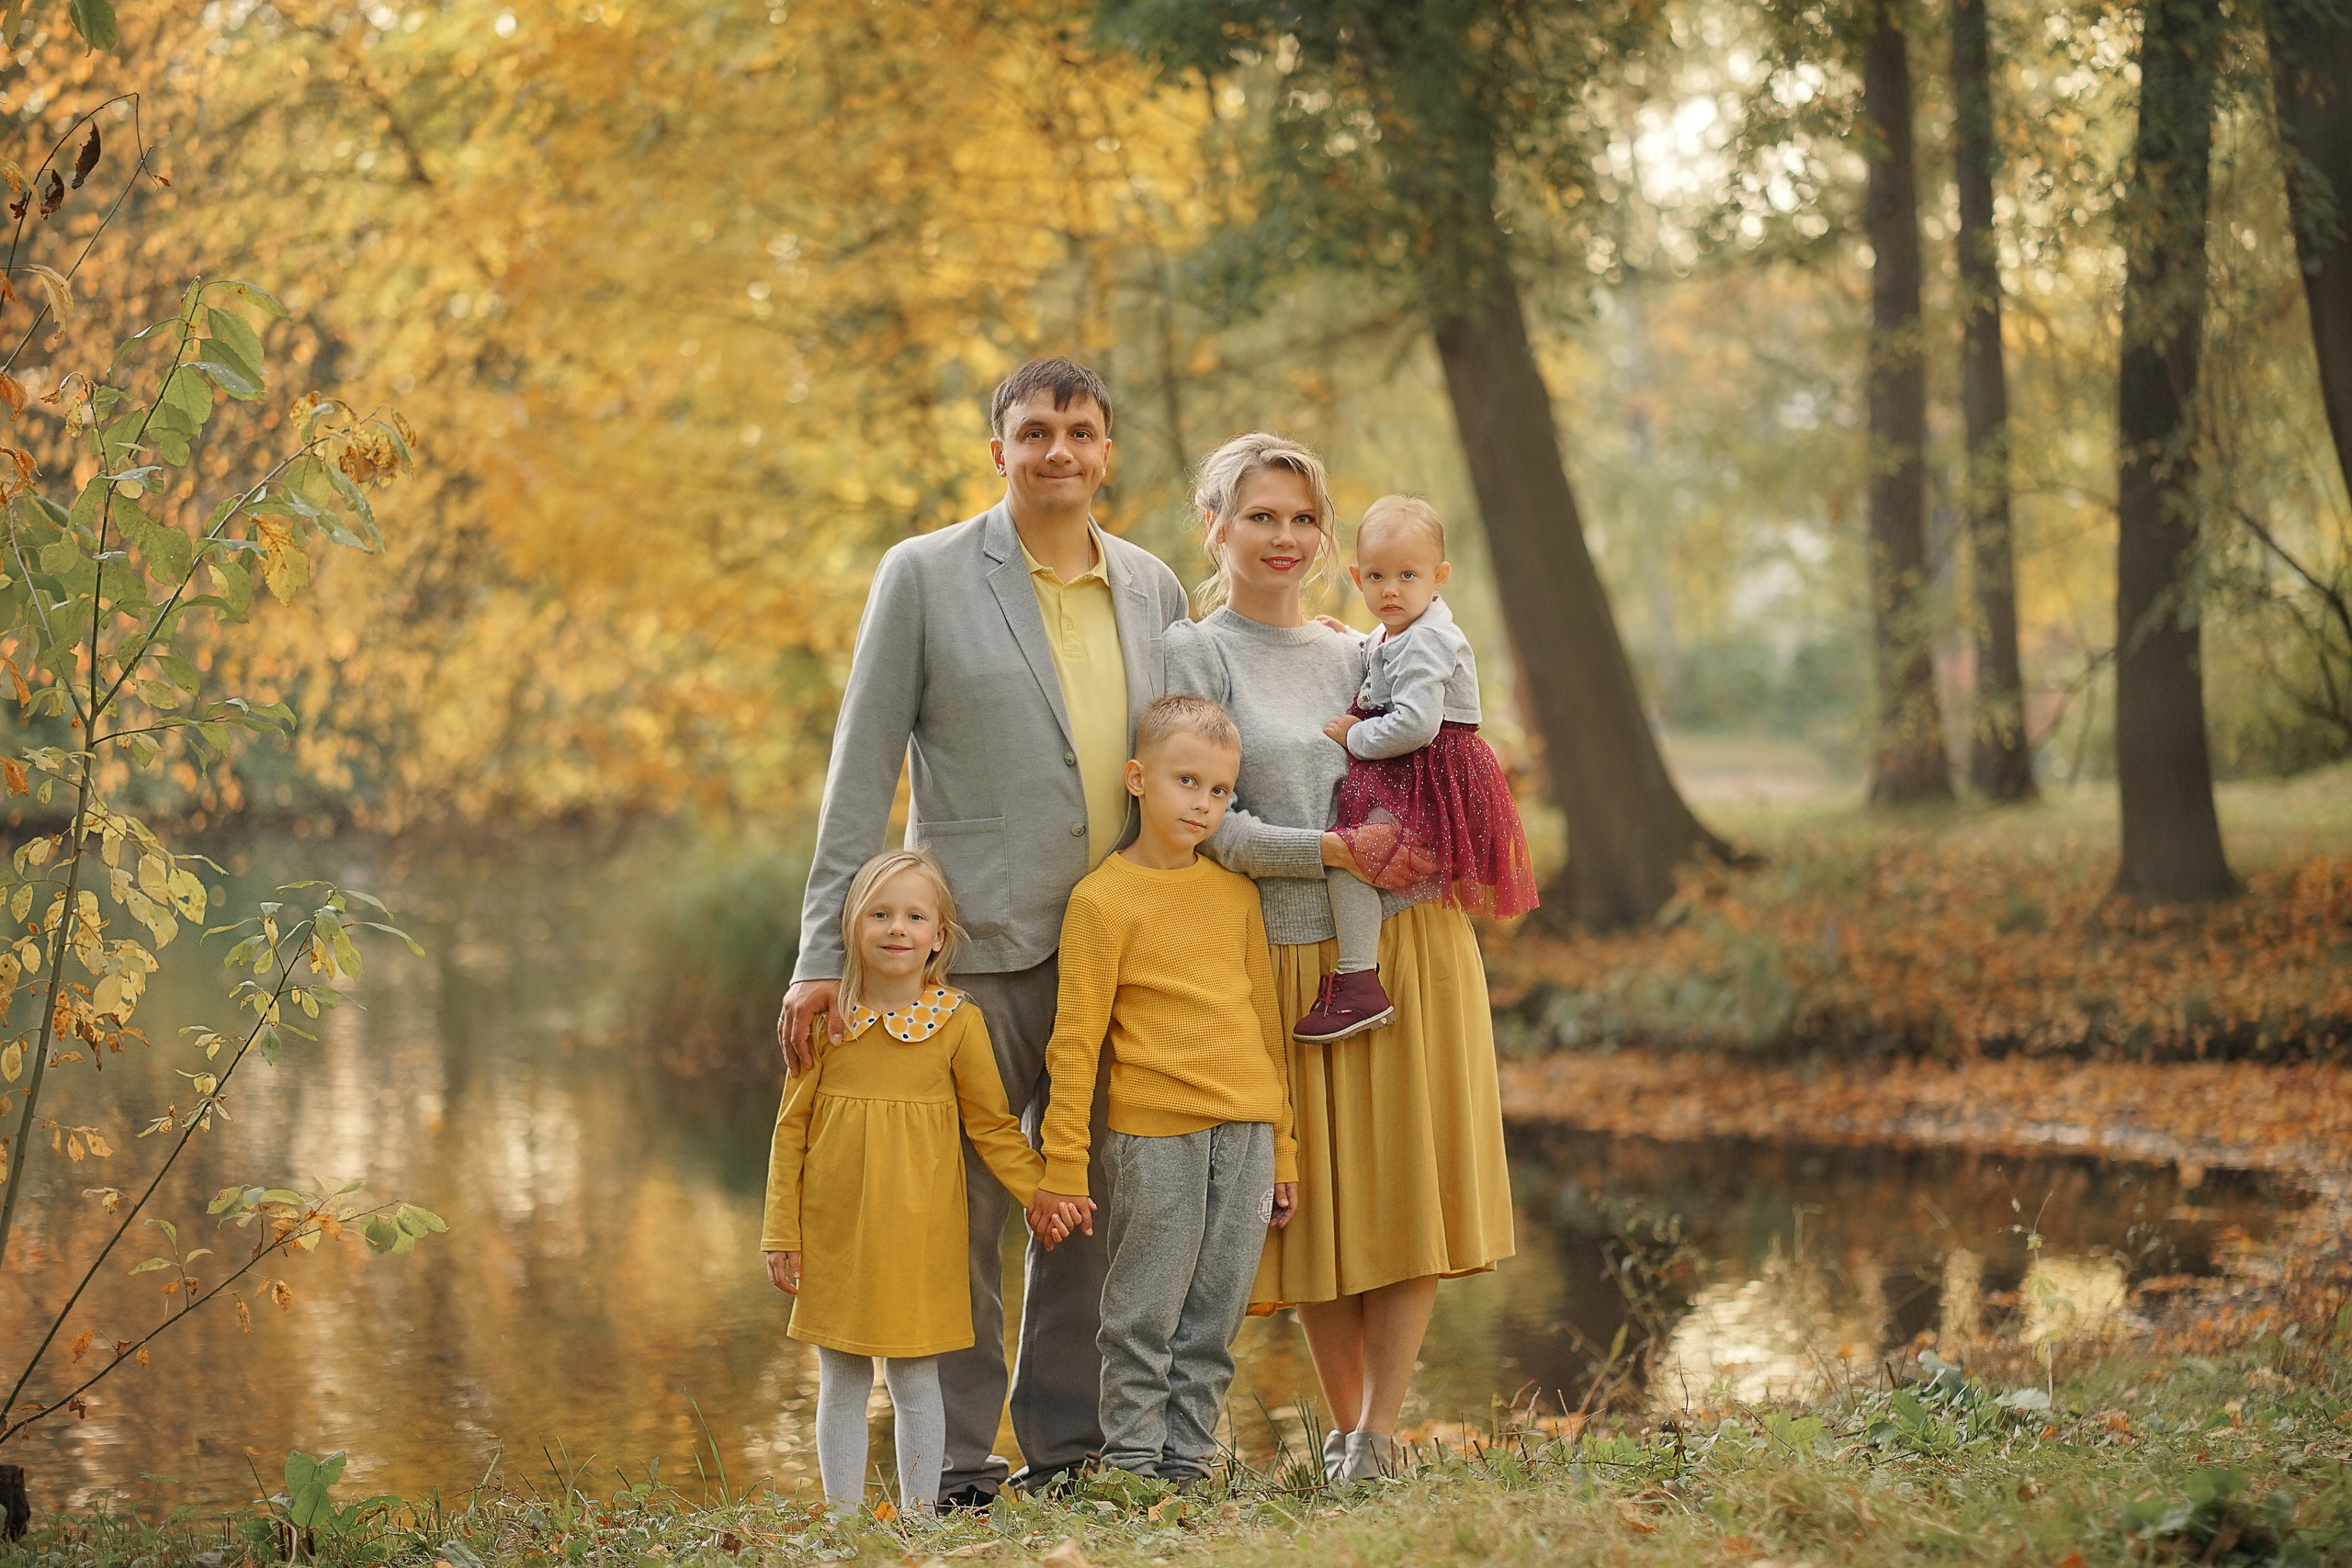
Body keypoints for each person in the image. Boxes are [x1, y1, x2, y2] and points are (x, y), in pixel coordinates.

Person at [773, 356, 1193, 1506]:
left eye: (1083, 431)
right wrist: (825, 956)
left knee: (1085, 1209)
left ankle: (1066, 1449)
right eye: (1037, 431)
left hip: (1116, 954)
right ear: (998, 448)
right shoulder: (924, 575)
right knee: (941, 1215)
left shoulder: (1154, 588)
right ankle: (953, 1464)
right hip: (968, 954)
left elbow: (1192, 766)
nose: (1061, 450)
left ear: (1109, 451)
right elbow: (859, 774)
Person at [1164, 432, 1516, 1485]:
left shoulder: (1358, 645)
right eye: (1261, 515)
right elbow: (1208, 828)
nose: (1284, 536)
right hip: (1294, 956)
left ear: (1326, 537)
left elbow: (1441, 749)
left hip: (1411, 944)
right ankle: (1348, 1422)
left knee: (1403, 1186)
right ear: (1215, 526)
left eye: (1302, 518)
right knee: (1317, 1205)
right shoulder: (1197, 653)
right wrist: (1322, 850)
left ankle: (1375, 1439)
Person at [1023, 694, 1299, 1488]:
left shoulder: (1236, 895)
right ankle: (1133, 1470)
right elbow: (1073, 1046)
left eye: (1220, 791)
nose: (1204, 805)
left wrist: (1283, 1147)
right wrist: (1064, 1163)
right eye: (1187, 782)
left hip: (1245, 1135)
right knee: (1143, 1315)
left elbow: (1268, 1028)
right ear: (1138, 778)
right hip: (1156, 1138)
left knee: (1212, 1318)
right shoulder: (1100, 901)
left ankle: (1187, 1468)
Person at [760, 851, 1082, 1516]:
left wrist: (1041, 1189)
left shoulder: (956, 1021)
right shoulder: (828, 1022)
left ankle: (919, 1519)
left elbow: (994, 1126)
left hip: (922, 1233)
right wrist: (780, 1232)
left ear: (939, 934)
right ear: (852, 927)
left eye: (913, 915)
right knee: (842, 1377)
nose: (896, 928)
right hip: (837, 1231)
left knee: (914, 1375)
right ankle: (845, 1522)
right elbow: (790, 1133)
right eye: (879, 914)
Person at [1294, 495, 1540, 1044]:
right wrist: (1354, 640)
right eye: (1377, 576)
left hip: (1430, 769)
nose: (1391, 590)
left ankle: (1358, 979)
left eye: (1408, 575)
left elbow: (1415, 723)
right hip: (1419, 770)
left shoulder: (1428, 638)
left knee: (1353, 857)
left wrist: (1354, 736)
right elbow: (1388, 661)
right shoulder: (1399, 629)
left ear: (1439, 577)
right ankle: (1395, 906)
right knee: (1375, 860)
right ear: (1358, 578)